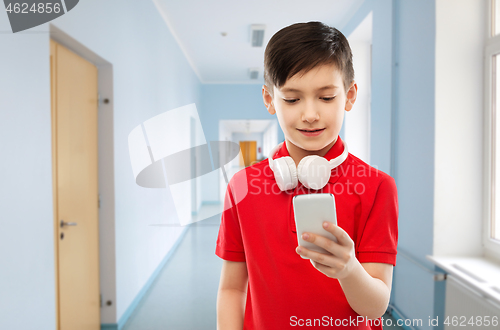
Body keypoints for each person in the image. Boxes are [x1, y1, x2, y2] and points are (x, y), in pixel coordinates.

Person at [215, 21, 398, 330]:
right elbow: (232, 288)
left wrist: (348, 269)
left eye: (326, 98)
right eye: (292, 99)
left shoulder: (376, 186)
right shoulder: (242, 186)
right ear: (269, 99)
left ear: (350, 96)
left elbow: (375, 308)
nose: (310, 114)